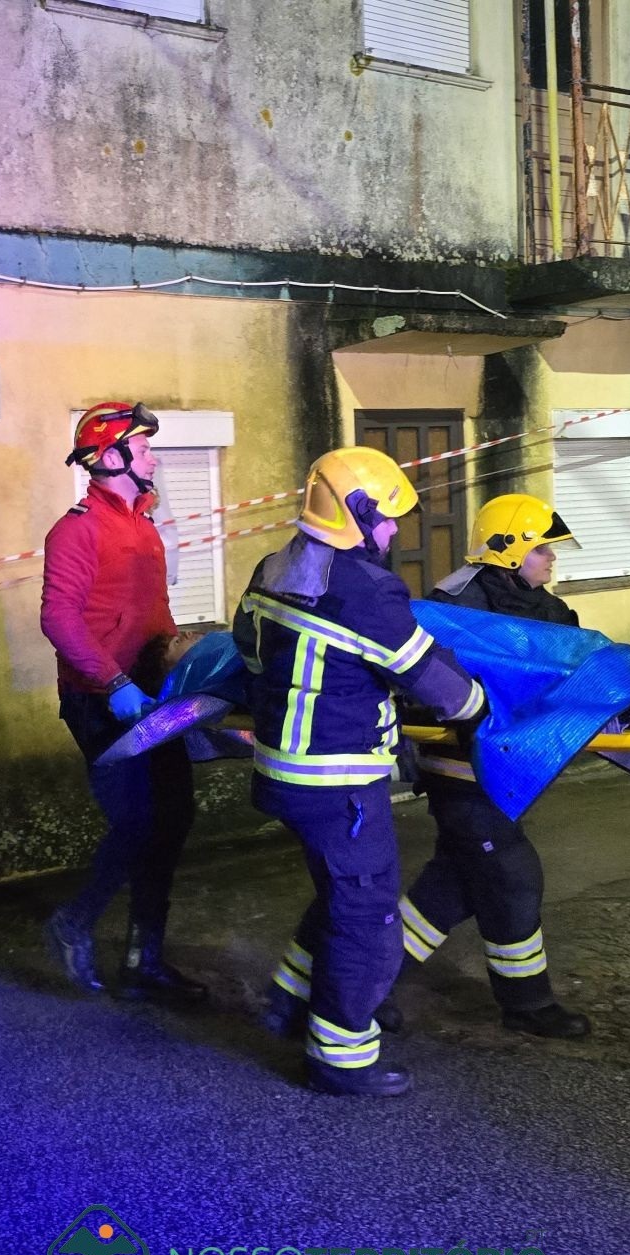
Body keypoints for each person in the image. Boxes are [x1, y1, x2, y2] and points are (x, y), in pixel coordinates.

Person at [238, 446, 485, 1096]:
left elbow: (249, 648)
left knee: (337, 895)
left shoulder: (274, 565)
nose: (396, 530)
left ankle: (289, 999)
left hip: (281, 773)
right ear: (355, 514)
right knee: (369, 916)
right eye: (387, 517)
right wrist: (478, 703)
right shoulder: (366, 590)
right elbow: (438, 684)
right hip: (337, 783)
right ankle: (341, 1055)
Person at [389, 494, 592, 1040]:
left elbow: (569, 664)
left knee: (454, 884)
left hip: (508, 766)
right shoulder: (456, 604)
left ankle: (368, 985)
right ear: (509, 550)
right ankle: (529, 1003)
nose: (552, 559)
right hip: (460, 766)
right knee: (511, 872)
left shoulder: (543, 605)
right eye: (543, 548)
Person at [39, 402, 204, 1003]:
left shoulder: (142, 524)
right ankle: (73, 923)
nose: (153, 457)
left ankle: (145, 960)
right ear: (109, 458)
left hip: (151, 696)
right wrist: (113, 684)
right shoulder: (78, 529)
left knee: (174, 816)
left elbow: (150, 616)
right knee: (137, 822)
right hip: (100, 700)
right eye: (143, 448)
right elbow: (58, 619)